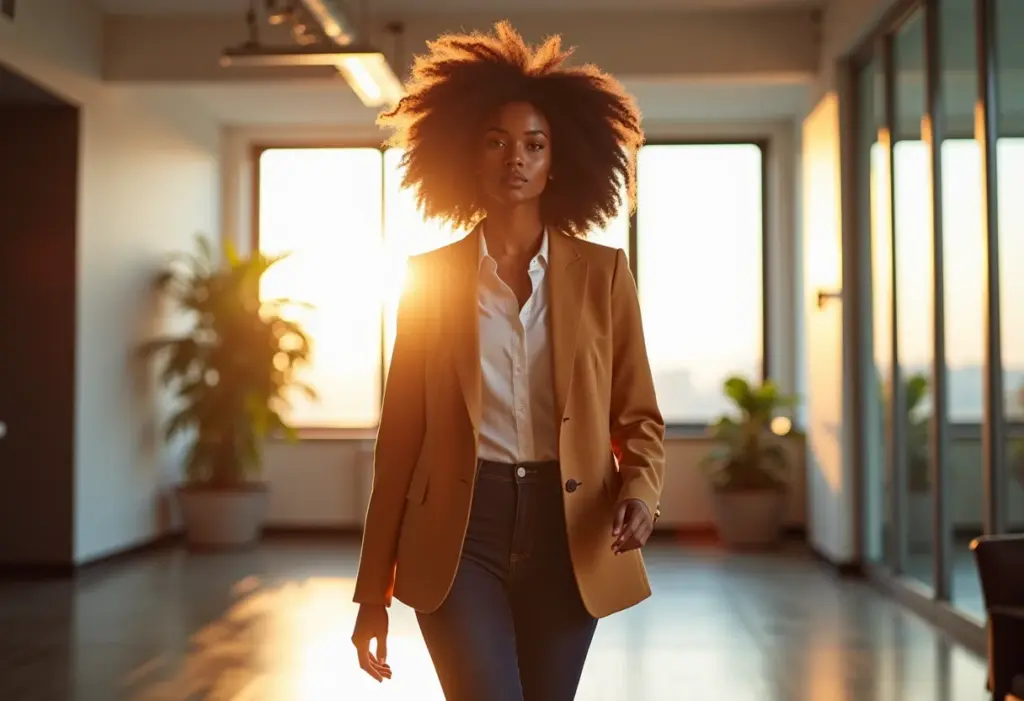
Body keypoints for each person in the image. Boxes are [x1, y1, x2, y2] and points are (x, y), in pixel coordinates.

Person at [350, 21, 665, 701]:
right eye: (496, 141)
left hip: (570, 531)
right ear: (466, 154)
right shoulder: (429, 279)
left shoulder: (604, 274)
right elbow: (399, 442)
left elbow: (639, 415)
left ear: (558, 160)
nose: (514, 158)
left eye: (534, 144)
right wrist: (372, 590)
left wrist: (641, 490)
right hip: (460, 534)